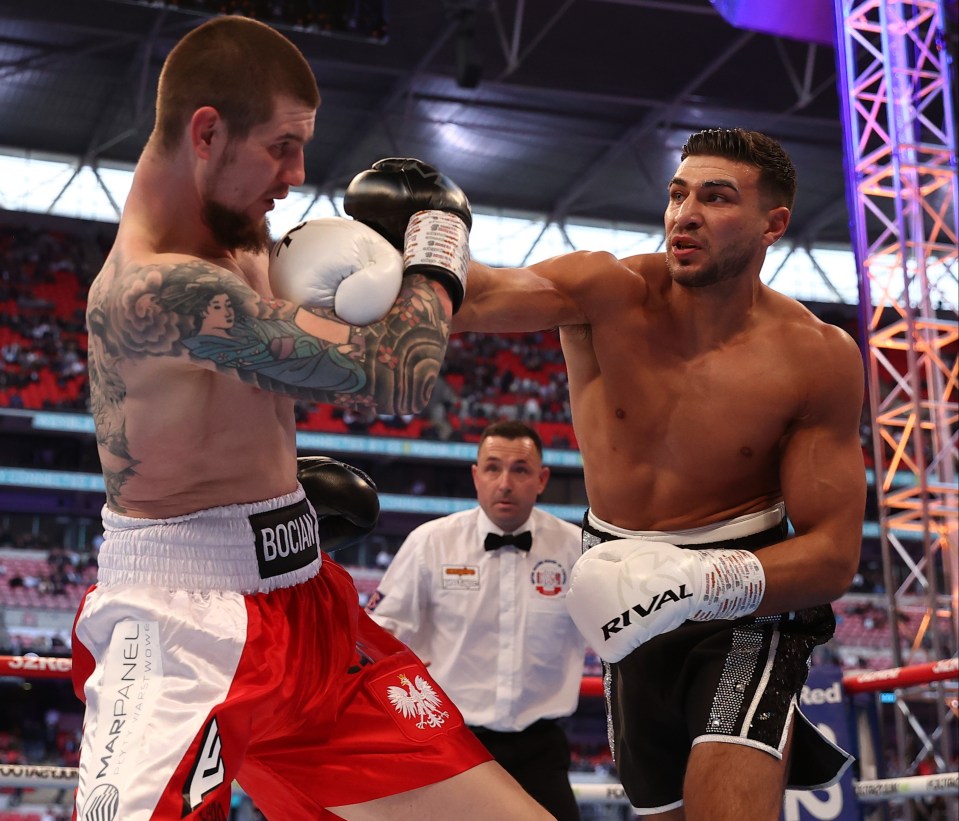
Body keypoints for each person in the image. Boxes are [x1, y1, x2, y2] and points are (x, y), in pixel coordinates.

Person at [73, 15, 551, 821]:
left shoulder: (245, 231)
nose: (297, 174)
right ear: (207, 131)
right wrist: (435, 240)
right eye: (282, 146)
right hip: (180, 631)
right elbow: (398, 374)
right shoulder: (152, 289)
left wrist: (279, 502)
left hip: (308, 605)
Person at [364, 128, 867, 820]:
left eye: (715, 198)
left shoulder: (817, 356)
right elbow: (474, 300)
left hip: (747, 603)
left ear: (771, 223)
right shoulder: (606, 288)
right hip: (621, 596)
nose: (684, 214)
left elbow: (834, 554)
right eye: (676, 193)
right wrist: (418, 243)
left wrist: (703, 580)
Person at [366, 420, 586, 820]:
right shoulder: (430, 542)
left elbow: (615, 638)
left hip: (541, 746)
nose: (505, 482)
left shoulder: (576, 550)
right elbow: (378, 634)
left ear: (542, 479)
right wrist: (402, 678)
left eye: (520, 469)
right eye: (493, 468)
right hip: (451, 742)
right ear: (476, 476)